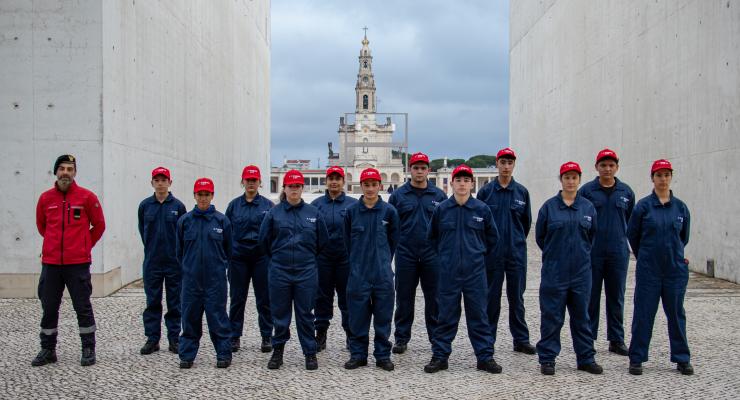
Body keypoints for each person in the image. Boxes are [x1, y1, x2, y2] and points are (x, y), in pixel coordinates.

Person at [424, 164, 502, 374]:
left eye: (466, 180)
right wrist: (443, 261)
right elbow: (432, 239)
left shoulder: (482, 210)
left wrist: (480, 262)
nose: (462, 184)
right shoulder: (442, 209)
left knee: (479, 316)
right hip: (448, 273)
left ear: (472, 183)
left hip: (475, 273)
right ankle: (440, 356)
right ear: (452, 183)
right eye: (458, 180)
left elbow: (493, 240)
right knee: (445, 316)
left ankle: (485, 357)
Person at [32, 155, 106, 367]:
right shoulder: (45, 199)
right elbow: (42, 227)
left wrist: (82, 246)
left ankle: (88, 348)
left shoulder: (87, 197)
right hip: (52, 264)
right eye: (62, 168)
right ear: (56, 172)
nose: (66, 172)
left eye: (70, 169)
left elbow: (99, 226)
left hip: (78, 264)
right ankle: (47, 349)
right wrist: (55, 247)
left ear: (75, 173)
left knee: (82, 306)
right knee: (49, 307)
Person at [535, 162, 603, 375]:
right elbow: (540, 237)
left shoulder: (588, 208)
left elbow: (592, 236)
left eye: (574, 177)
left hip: (581, 273)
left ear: (579, 180)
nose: (571, 181)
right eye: (567, 177)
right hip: (555, 273)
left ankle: (585, 358)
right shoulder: (549, 207)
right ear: (561, 179)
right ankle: (547, 359)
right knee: (552, 317)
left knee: (582, 317)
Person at [627, 159, 693, 376]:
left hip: (674, 270)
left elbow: (683, 237)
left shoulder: (681, 207)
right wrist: (645, 256)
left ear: (671, 177)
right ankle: (637, 358)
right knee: (644, 314)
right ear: (652, 178)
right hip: (649, 270)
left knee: (676, 314)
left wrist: (673, 254)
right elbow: (633, 235)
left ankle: (682, 358)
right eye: (659, 175)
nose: (663, 179)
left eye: (666, 175)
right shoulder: (643, 207)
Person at [259, 170, 328, 370]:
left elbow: (322, 242)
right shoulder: (274, 213)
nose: (294, 189)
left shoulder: (313, 213)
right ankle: (278, 351)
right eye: (291, 186)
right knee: (280, 314)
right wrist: (277, 260)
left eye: (298, 186)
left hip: (306, 271)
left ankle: (309, 352)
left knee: (305, 314)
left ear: (302, 188)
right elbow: (264, 242)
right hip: (279, 270)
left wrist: (307, 258)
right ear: (285, 188)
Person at [476, 147, 535, 355]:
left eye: (510, 163)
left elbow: (526, 223)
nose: (506, 167)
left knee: (516, 298)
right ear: (497, 163)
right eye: (503, 162)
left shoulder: (522, 192)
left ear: (514, 165)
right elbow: (479, 223)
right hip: (492, 254)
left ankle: (520, 339)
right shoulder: (486, 192)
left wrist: (516, 242)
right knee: (491, 298)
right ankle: (487, 339)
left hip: (516, 254)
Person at [578, 149, 635, 356]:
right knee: (590, 296)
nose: (607, 169)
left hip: (618, 252)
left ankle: (616, 339)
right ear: (596, 167)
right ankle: (588, 338)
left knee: (616, 296)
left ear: (617, 167)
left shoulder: (626, 192)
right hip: (593, 252)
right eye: (603, 165)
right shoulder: (586, 192)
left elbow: (630, 221)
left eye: (611, 165)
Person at [389, 152, 447, 354]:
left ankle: (436, 337)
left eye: (423, 167)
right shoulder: (398, 196)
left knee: (435, 298)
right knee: (404, 298)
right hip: (406, 253)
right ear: (410, 170)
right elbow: (390, 226)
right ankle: (401, 338)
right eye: (416, 167)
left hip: (432, 254)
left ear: (428, 170)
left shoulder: (439, 196)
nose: (420, 171)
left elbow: (445, 226)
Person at [343, 168, 400, 372]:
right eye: (366, 184)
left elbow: (393, 241)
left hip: (382, 274)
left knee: (383, 317)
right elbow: (346, 241)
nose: (369, 188)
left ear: (380, 186)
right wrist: (357, 263)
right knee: (357, 317)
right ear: (361, 186)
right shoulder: (351, 212)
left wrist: (383, 261)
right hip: (358, 274)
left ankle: (382, 355)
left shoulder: (389, 212)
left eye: (373, 184)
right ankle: (358, 355)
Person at [176, 178, 233, 369]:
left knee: (218, 319)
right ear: (194, 195)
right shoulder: (184, 221)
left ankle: (224, 353)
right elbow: (179, 251)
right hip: (191, 281)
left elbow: (229, 249)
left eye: (206, 194)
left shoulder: (222, 220)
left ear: (212, 195)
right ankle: (187, 355)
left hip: (215, 280)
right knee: (190, 318)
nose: (203, 198)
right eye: (200, 194)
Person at [137, 166, 187, 355]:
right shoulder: (145, 206)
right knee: (152, 302)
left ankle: (174, 338)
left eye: (163, 180)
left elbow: (183, 233)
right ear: (152, 183)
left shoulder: (178, 206)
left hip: (173, 262)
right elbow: (143, 231)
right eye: (157, 180)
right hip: (152, 261)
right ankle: (152, 339)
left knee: (175, 302)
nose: (160, 183)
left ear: (170, 183)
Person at [226, 165, 274, 354]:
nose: (251, 183)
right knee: (237, 298)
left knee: (264, 298)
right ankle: (234, 336)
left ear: (259, 182)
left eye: (254, 180)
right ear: (243, 182)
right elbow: (227, 231)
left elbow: (273, 232)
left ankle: (266, 336)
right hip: (239, 257)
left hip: (261, 257)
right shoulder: (234, 205)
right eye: (248, 180)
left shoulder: (268, 206)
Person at [311, 166, 358, 351]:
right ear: (326, 181)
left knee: (347, 299)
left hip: (345, 260)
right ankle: (320, 334)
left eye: (338, 178)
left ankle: (350, 335)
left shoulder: (353, 205)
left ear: (343, 182)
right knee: (321, 298)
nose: (334, 182)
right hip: (323, 260)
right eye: (331, 178)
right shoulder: (315, 205)